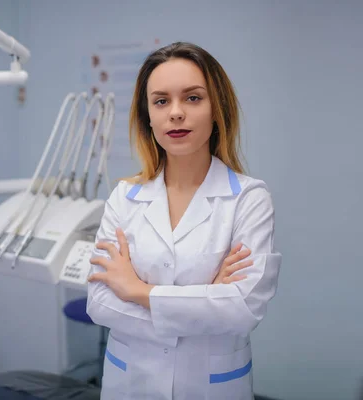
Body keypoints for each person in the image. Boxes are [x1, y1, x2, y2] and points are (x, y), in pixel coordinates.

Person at [86, 42, 282, 400]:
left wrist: (139, 291)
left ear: (217, 108)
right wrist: (205, 301)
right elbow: (99, 303)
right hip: (130, 385)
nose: (175, 113)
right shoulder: (124, 197)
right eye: (161, 101)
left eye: (192, 98)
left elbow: (242, 309)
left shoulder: (248, 199)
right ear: (147, 115)